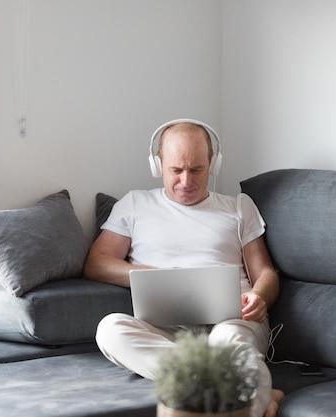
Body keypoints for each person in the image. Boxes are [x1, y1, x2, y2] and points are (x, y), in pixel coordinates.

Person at [83, 120, 284, 417]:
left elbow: (266, 272)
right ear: (158, 165)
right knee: (110, 330)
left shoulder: (239, 207)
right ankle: (244, 384)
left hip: (232, 320)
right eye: (176, 170)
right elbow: (96, 264)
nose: (186, 181)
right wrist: (151, 275)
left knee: (228, 341)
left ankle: (235, 395)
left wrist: (260, 297)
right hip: (166, 327)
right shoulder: (135, 204)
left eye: (196, 170)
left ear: (213, 165)